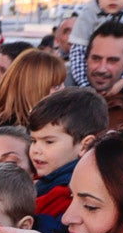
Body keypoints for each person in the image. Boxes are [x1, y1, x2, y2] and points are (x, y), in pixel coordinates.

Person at [26, 87, 109, 218]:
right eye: (33, 140)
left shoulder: (69, 193)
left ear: (85, 145)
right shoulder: (44, 178)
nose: (36, 150)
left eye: (49, 142)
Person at [0, 48, 67, 150]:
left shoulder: (62, 123)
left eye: (63, 84)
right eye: (57, 86)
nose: (64, 91)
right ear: (34, 88)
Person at [79, 20, 123, 130]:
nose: (102, 69)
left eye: (112, 60)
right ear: (86, 58)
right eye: (96, 58)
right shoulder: (61, 93)